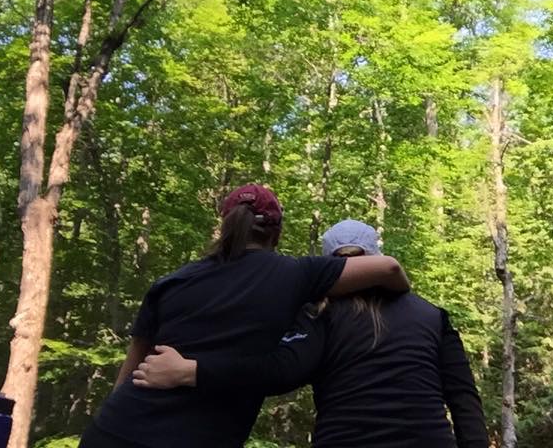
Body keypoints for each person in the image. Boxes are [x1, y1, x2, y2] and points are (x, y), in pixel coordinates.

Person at [79, 186, 410, 448]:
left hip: (111, 429)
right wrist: (405, 299)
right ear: (276, 234)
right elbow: (389, 269)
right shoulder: (294, 274)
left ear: (223, 227)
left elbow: (128, 374)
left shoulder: (171, 282)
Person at [135, 219, 488, 448]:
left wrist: (193, 371)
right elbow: (463, 397)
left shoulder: (318, 315)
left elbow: (277, 372)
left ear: (331, 265)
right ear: (376, 256)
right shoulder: (432, 315)